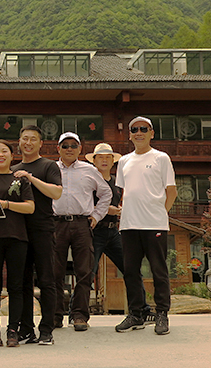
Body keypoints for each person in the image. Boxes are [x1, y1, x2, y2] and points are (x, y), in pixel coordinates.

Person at [1, 125, 62, 346]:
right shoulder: (13, 168)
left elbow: (56, 192)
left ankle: (47, 329)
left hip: (43, 228)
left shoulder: (48, 165)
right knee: (22, 282)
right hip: (19, 231)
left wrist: (30, 178)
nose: (28, 143)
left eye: (32, 139)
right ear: (19, 141)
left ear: (40, 143)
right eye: (24, 138)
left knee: (47, 280)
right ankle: (27, 329)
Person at [115, 117, 176, 335]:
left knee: (159, 270)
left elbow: (172, 192)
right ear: (129, 135)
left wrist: (160, 213)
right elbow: (124, 193)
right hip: (129, 225)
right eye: (134, 130)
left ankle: (162, 314)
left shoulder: (161, 158)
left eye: (143, 129)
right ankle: (136, 313)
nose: (138, 133)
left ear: (151, 133)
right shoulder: (124, 161)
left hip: (154, 224)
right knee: (130, 271)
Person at [86, 143, 153, 323]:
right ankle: (78, 313)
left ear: (113, 161)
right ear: (94, 161)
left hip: (114, 231)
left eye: (108, 157)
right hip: (94, 232)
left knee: (131, 268)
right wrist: (110, 210)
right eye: (101, 157)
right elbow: (85, 205)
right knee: (87, 272)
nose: (105, 160)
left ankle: (142, 310)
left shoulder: (117, 182)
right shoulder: (88, 180)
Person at [51, 133, 111, 332]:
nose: (69, 149)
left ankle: (79, 315)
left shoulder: (90, 170)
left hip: (81, 224)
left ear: (80, 149)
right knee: (54, 272)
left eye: (73, 145)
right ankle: (55, 315)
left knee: (84, 271)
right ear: (58, 148)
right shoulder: (50, 168)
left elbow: (106, 193)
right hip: (56, 223)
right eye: (65, 145)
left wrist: (96, 216)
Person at [0, 140, 35, 347]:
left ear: (12, 156)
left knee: (16, 286)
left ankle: (13, 330)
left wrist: (7, 205)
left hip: (17, 237)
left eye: (5, 151)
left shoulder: (20, 179)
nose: (0, 155)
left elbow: (30, 207)